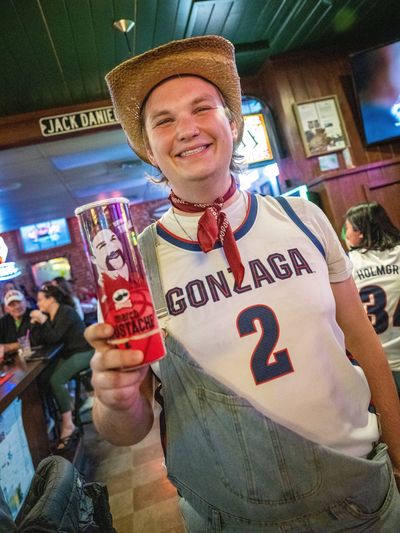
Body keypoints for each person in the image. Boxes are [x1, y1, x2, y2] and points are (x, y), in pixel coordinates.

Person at [86, 36, 400, 530]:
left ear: (232, 122)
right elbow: (127, 429)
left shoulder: (305, 219)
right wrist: (113, 399)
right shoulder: (131, 267)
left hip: (362, 494)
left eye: (201, 108)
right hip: (227, 518)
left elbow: (365, 342)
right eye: (163, 120)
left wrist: (399, 455)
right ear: (147, 146)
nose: (186, 130)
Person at [345, 202, 400, 394]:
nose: (345, 234)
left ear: (360, 233)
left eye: (348, 229)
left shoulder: (349, 263)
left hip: (376, 364)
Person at [30, 285, 94, 450]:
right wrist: (36, 324)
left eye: (40, 299)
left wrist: (43, 321)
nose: (38, 303)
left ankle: (68, 424)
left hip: (84, 352)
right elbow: (39, 341)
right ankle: (54, 416)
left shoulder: (65, 311)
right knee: (45, 377)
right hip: (68, 354)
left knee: (56, 380)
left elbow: (55, 337)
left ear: (51, 299)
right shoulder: (51, 315)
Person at [0, 289, 37, 356]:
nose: (17, 307)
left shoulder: (34, 314)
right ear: (6, 309)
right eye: (12, 305)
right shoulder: (3, 321)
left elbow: (36, 340)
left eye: (19, 302)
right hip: (12, 363)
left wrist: (9, 347)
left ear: (25, 302)